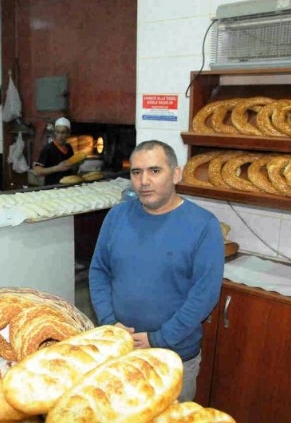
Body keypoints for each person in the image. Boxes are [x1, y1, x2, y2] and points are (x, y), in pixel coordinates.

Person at [88, 140, 224, 402]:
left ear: (176, 174)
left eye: (154, 171)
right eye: (136, 172)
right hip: (121, 351)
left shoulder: (203, 225)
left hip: (173, 359)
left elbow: (204, 295)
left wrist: (160, 338)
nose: (143, 181)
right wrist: (109, 323)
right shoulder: (116, 217)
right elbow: (99, 272)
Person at [32, 117, 75, 185]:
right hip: (52, 188)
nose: (60, 136)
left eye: (63, 133)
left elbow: (71, 167)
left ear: (68, 134)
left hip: (68, 187)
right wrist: (57, 168)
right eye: (58, 132)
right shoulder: (48, 149)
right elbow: (36, 172)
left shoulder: (69, 148)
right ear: (55, 133)